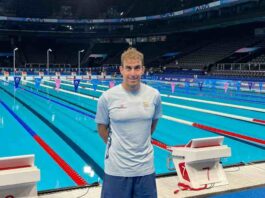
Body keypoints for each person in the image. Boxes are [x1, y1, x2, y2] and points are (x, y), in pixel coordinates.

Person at [95, 47, 162, 198]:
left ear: (143, 69)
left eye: (137, 68)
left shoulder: (154, 95)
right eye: (129, 68)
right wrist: (118, 147)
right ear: (121, 70)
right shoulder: (107, 97)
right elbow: (101, 128)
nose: (133, 73)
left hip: (145, 168)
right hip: (116, 169)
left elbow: (152, 124)